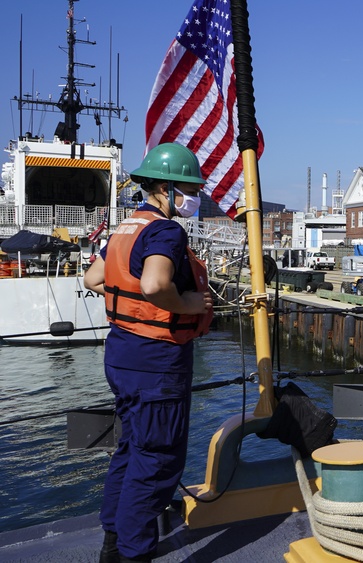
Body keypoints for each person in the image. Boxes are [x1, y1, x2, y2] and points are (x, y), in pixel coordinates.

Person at [84, 143, 214, 563]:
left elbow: (93, 278)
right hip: (157, 361)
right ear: (165, 187)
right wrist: (189, 305)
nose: (194, 196)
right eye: (188, 187)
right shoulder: (166, 231)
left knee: (129, 450)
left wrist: (131, 303)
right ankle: (134, 553)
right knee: (156, 461)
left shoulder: (127, 227)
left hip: (121, 354)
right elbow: (157, 284)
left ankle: (112, 544)